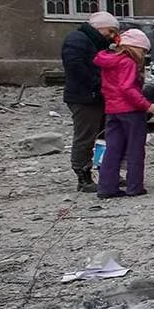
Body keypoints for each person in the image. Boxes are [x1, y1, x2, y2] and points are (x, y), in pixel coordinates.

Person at [94, 29, 154, 198]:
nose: (143, 55)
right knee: (135, 149)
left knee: (113, 149)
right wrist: (147, 105)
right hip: (131, 111)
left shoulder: (108, 61)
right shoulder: (128, 63)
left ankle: (106, 187)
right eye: (143, 51)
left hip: (112, 110)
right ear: (135, 47)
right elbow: (127, 88)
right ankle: (134, 186)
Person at [60, 10, 118, 192]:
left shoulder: (89, 41)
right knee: (85, 137)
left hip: (94, 95)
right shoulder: (78, 40)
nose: (112, 36)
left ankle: (105, 173)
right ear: (101, 28)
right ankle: (83, 176)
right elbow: (75, 67)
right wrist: (97, 84)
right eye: (111, 31)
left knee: (102, 136)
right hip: (84, 98)